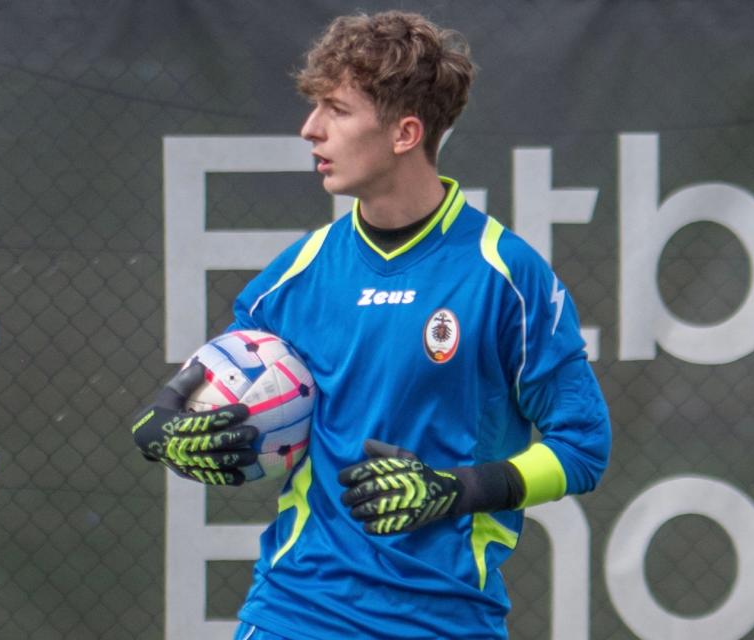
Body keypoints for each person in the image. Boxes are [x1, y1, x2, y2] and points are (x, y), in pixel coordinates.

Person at [131, 11, 611, 640]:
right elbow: (216, 393)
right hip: (293, 613)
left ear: (405, 133)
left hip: (446, 621)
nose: (310, 129)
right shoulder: (296, 274)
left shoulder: (505, 275)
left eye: (336, 110)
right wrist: (162, 429)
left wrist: (457, 489)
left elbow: (583, 448)